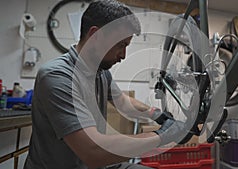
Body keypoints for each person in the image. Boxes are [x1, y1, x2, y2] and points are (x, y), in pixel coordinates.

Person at [24, 1, 191, 169]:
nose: (124, 55)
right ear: (95, 35)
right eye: (121, 45)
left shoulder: (101, 72)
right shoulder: (57, 76)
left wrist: (157, 115)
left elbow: (123, 102)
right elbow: (94, 152)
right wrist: (162, 135)